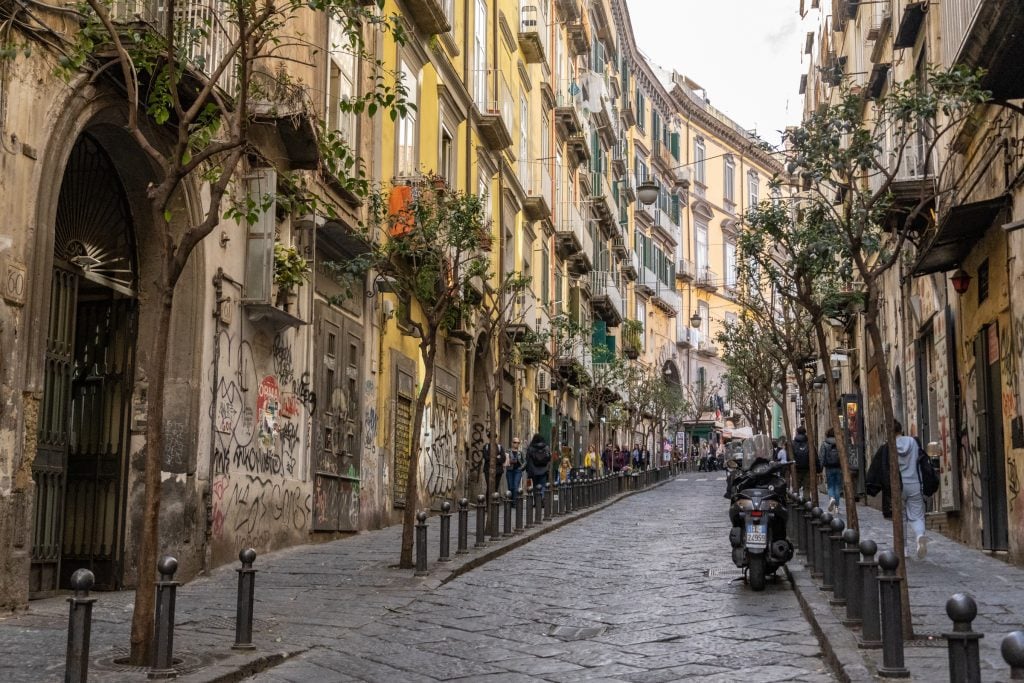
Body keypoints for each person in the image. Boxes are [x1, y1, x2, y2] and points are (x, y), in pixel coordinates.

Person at [865, 420, 929, 560]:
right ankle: (919, 536)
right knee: (917, 516)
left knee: (900, 518)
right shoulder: (913, 442)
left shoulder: (888, 447)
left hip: (897, 486)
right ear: (901, 429)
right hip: (915, 483)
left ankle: (904, 549)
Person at [819, 428, 842, 513]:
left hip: (828, 468)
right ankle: (836, 507)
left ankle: (832, 498)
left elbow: (822, 457)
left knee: (830, 485)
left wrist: (819, 469)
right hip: (838, 467)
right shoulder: (839, 443)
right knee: (837, 487)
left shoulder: (824, 444)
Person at [792, 426, 812, 497]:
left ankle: (796, 501)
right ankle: (806, 501)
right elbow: (814, 455)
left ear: (797, 432)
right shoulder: (809, 443)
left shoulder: (793, 443)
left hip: (796, 468)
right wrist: (818, 469)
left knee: (796, 486)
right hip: (807, 467)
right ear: (805, 432)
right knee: (807, 487)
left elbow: (790, 456)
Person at [505, 436, 524, 502]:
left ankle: (514, 502)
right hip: (509, 470)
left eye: (518, 443)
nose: (517, 444)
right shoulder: (508, 451)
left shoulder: (520, 452)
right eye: (515, 442)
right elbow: (505, 461)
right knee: (510, 486)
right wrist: (509, 461)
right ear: (512, 443)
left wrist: (521, 468)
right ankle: (510, 501)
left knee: (516, 486)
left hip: (518, 471)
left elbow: (525, 462)